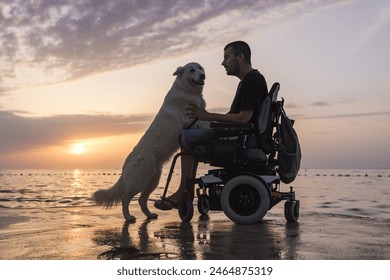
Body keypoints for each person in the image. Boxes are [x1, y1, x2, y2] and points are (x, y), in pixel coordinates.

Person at [154, 41, 268, 210]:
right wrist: (207, 120)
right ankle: (186, 191)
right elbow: (236, 117)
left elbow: (244, 119)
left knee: (185, 138)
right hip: (242, 136)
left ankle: (184, 193)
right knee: (190, 134)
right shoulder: (247, 81)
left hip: (243, 140)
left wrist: (207, 116)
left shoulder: (253, 80)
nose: (223, 63)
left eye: (227, 58)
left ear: (241, 57)